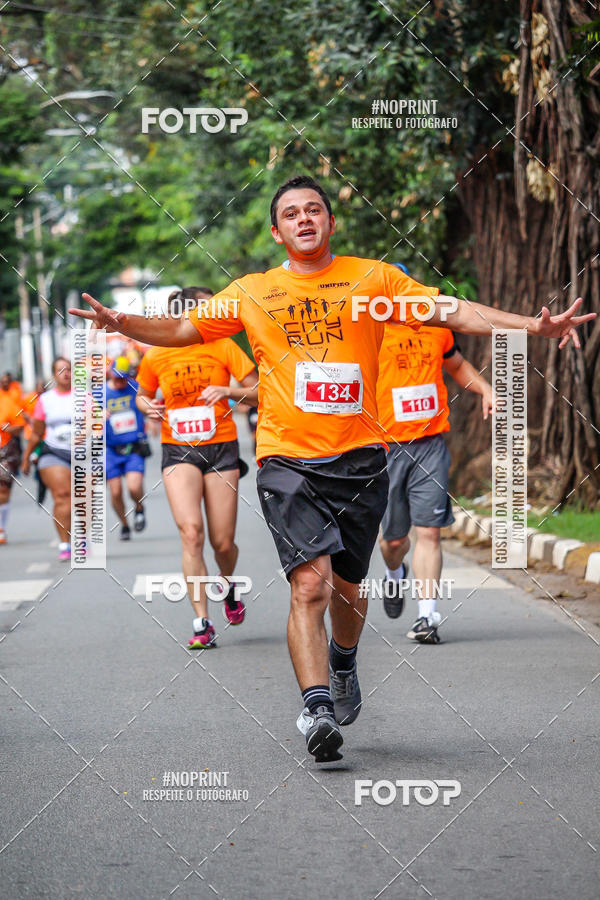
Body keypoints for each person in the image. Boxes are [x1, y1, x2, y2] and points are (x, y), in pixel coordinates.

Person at [71, 174, 594, 763]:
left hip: (361, 456)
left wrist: (532, 325)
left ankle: (343, 662)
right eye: (291, 213)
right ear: (276, 231)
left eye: (314, 210)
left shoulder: (373, 281)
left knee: (348, 585)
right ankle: (316, 707)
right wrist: (122, 324)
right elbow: (179, 330)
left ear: (330, 222)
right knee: (309, 583)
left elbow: (450, 310)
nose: (303, 219)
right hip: (285, 456)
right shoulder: (251, 291)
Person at [136, 287, 259, 649]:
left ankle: (228, 584)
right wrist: (147, 407)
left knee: (222, 543)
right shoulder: (157, 353)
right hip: (178, 450)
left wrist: (229, 393)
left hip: (221, 448)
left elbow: (261, 391)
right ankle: (201, 621)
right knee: (191, 533)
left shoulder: (224, 345)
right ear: (182, 317)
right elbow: (142, 393)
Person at [376, 274, 494, 642]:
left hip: (430, 443)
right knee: (393, 541)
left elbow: (457, 366)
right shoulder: (369, 332)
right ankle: (395, 574)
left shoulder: (438, 328)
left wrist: (485, 389)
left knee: (429, 531)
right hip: (385, 448)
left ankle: (427, 617)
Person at [22, 357, 73, 562]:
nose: (66, 373)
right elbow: (36, 434)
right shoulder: (45, 400)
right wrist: (26, 458)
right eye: (61, 370)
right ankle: (64, 544)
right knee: (62, 495)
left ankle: (83, 540)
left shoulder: (85, 396)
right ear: (54, 375)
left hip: (83, 453)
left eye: (69, 369)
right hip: (54, 452)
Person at [106, 355, 149, 540]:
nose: (120, 381)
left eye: (123, 377)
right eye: (117, 377)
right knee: (115, 491)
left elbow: (148, 402)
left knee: (134, 486)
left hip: (134, 446)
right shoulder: (101, 393)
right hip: (109, 449)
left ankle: (139, 507)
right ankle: (124, 525)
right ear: (110, 373)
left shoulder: (135, 387)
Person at [0, 372, 26, 544]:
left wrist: (8, 429)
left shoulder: (8, 401)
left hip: (5, 449)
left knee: (3, 489)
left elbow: (20, 426)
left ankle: (1, 528)